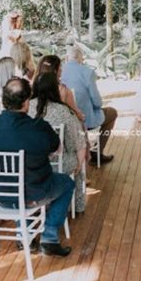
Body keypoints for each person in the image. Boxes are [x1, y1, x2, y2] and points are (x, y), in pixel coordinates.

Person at [0, 77, 73, 257]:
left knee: (22, 181)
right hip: (33, 194)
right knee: (67, 183)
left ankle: (25, 236)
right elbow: (57, 149)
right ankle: (49, 238)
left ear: (3, 100)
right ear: (26, 102)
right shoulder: (38, 127)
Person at [34, 72, 88, 213]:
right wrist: (79, 164)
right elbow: (79, 142)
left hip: (31, 164)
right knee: (76, 161)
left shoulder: (26, 108)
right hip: (58, 163)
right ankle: (74, 205)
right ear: (54, 89)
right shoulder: (63, 111)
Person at [61, 47, 117, 164]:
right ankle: (97, 153)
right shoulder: (87, 72)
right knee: (112, 112)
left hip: (63, 120)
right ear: (81, 58)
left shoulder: (59, 71)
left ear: (67, 58)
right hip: (84, 120)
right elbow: (97, 102)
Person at [34, 55, 84, 122]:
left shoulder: (31, 88)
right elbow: (75, 114)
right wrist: (81, 116)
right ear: (55, 71)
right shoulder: (64, 91)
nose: (61, 69)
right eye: (60, 66)